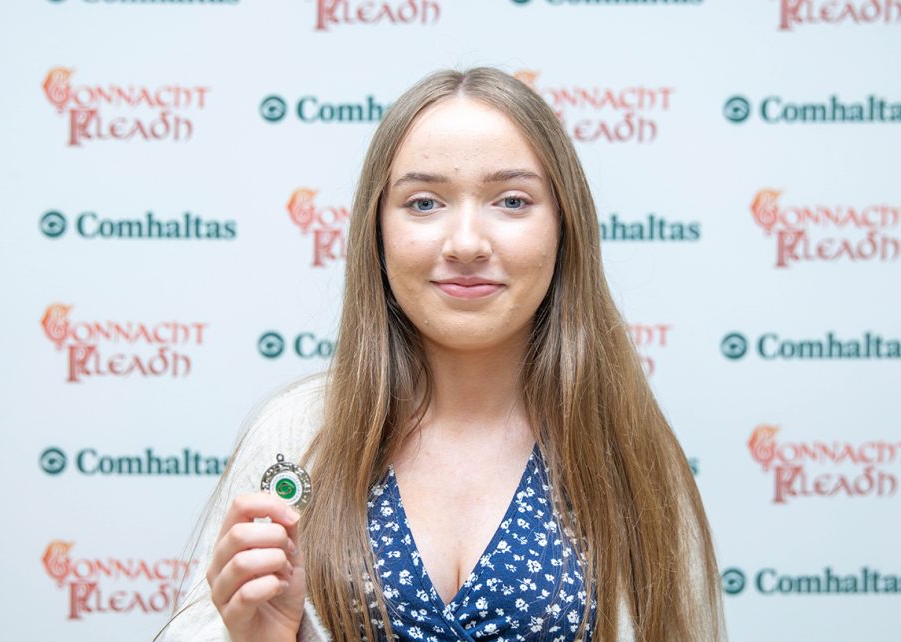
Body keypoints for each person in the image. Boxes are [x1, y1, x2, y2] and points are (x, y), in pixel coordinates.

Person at [157, 67, 725, 642]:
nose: (466, 244)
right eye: (424, 203)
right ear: (377, 232)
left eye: (512, 200)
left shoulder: (628, 447)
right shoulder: (295, 436)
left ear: (564, 227)